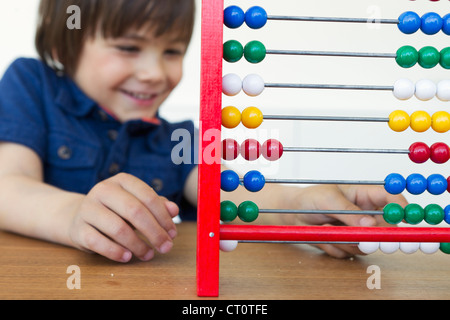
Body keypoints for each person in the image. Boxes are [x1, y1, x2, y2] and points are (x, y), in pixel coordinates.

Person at [0, 0, 408, 263]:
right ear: (63, 43)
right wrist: (72, 214)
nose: (155, 73)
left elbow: (232, 194)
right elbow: (7, 185)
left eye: (173, 51)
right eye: (128, 47)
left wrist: (303, 205)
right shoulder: (29, 84)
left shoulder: (181, 136)